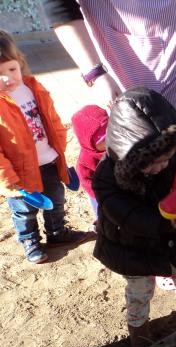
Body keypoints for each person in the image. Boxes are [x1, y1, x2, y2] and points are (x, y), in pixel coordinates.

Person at [42, 0, 176, 262]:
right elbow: (58, 5)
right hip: (140, 60)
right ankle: (163, 249)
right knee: (152, 160)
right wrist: (95, 73)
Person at [92, 87, 176, 347]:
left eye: (168, 159)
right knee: (140, 289)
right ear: (129, 155)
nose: (163, 166)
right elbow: (125, 215)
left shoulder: (168, 159)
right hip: (131, 246)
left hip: (172, 237)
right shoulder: (106, 177)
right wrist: (161, 225)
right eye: (154, 162)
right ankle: (138, 326)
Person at [0, 29, 90, 264]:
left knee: (56, 199)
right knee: (24, 210)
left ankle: (57, 232)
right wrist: (6, 177)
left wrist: (59, 147)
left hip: (48, 159)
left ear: (20, 63)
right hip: (19, 173)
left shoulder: (33, 87)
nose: (7, 78)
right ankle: (30, 240)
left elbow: (51, 118)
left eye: (11, 69)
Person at [71, 104, 108, 221]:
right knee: (104, 216)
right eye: (103, 140)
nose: (109, 140)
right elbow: (87, 182)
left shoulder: (118, 144)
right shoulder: (85, 161)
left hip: (122, 189)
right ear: (89, 142)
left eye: (112, 133)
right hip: (102, 195)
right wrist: (103, 195)